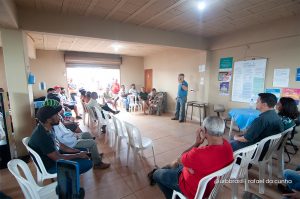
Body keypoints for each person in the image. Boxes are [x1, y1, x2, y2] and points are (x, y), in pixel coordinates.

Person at [152, 116, 234, 199]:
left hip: (191, 188)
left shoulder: (198, 154)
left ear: (204, 130)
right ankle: (165, 169)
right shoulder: (227, 146)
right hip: (212, 187)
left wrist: (197, 143)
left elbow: (180, 158)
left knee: (156, 175)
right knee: (175, 165)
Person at [28, 106, 93, 174]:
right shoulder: (42, 136)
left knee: (84, 150)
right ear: (48, 120)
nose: (59, 117)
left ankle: (71, 178)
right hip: (51, 165)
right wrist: (78, 155)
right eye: (56, 115)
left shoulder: (47, 127)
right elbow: (58, 158)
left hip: (55, 155)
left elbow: (59, 144)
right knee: (88, 163)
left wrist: (76, 151)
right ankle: (69, 182)